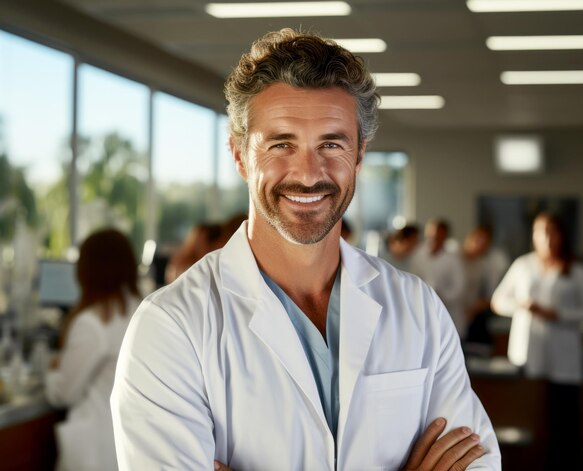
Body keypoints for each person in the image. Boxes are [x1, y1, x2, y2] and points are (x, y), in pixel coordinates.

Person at [111, 29, 499, 470]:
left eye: (331, 144)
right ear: (239, 155)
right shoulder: (172, 328)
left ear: (359, 154)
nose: (309, 174)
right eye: (281, 144)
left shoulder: (417, 308)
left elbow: (478, 462)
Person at [491, 212, 583, 470]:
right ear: (534, 236)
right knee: (531, 417)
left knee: (564, 421)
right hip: (529, 353)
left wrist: (557, 314)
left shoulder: (576, 269)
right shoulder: (523, 265)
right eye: (541, 231)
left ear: (562, 236)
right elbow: (498, 302)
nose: (547, 238)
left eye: (553, 231)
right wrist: (522, 305)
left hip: (564, 356)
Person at [45, 228, 142, 471]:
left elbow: (64, 394)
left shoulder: (92, 323)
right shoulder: (143, 309)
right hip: (132, 447)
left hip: (96, 452)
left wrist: (53, 370)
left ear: (86, 271)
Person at [412, 218, 467, 339]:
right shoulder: (417, 255)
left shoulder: (453, 259)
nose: (434, 236)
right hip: (421, 311)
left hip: (447, 312)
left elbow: (459, 288)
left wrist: (438, 294)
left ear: (445, 236)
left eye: (438, 234)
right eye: (432, 233)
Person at [462, 225, 509, 351]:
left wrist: (475, 308)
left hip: (472, 315)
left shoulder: (482, 265)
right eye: (477, 240)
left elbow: (490, 295)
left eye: (483, 244)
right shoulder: (453, 257)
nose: (478, 246)